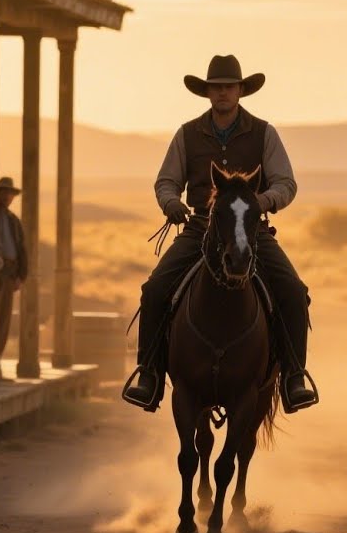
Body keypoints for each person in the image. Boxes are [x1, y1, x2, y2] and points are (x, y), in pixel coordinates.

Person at [123, 54, 318, 412]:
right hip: (201, 227)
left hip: (251, 230)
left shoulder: (264, 133)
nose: (222, 92)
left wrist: (261, 202)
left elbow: (285, 182)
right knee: (154, 289)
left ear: (241, 90)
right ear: (207, 92)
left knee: (293, 291)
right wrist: (170, 202)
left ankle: (293, 376)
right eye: (216, 87)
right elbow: (167, 180)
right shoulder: (187, 134)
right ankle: (149, 374)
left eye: (229, 86)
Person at [0, 176, 28, 381]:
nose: (6, 197)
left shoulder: (13, 220)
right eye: (3, 192)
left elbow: (21, 248)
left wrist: (21, 275)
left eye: (10, 193)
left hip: (10, 272)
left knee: (3, 321)